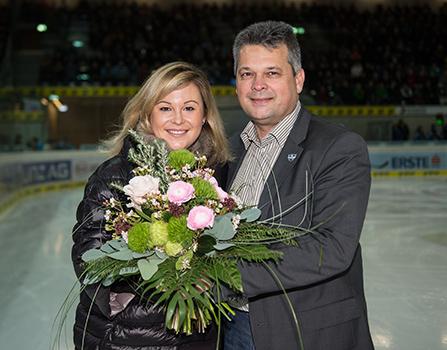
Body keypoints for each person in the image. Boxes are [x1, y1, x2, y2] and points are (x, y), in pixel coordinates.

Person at [223, 21, 374, 350]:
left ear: (299, 79)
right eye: (247, 73)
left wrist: (222, 275)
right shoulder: (228, 152)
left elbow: (330, 248)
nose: (258, 85)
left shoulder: (339, 147)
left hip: (307, 332)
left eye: (272, 73)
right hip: (232, 327)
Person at [71, 62, 231, 350]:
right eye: (166, 108)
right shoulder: (113, 177)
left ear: (205, 115)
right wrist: (171, 279)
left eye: (190, 108)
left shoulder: (217, 177)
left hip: (198, 338)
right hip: (127, 339)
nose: (178, 119)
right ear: (147, 115)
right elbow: (89, 260)